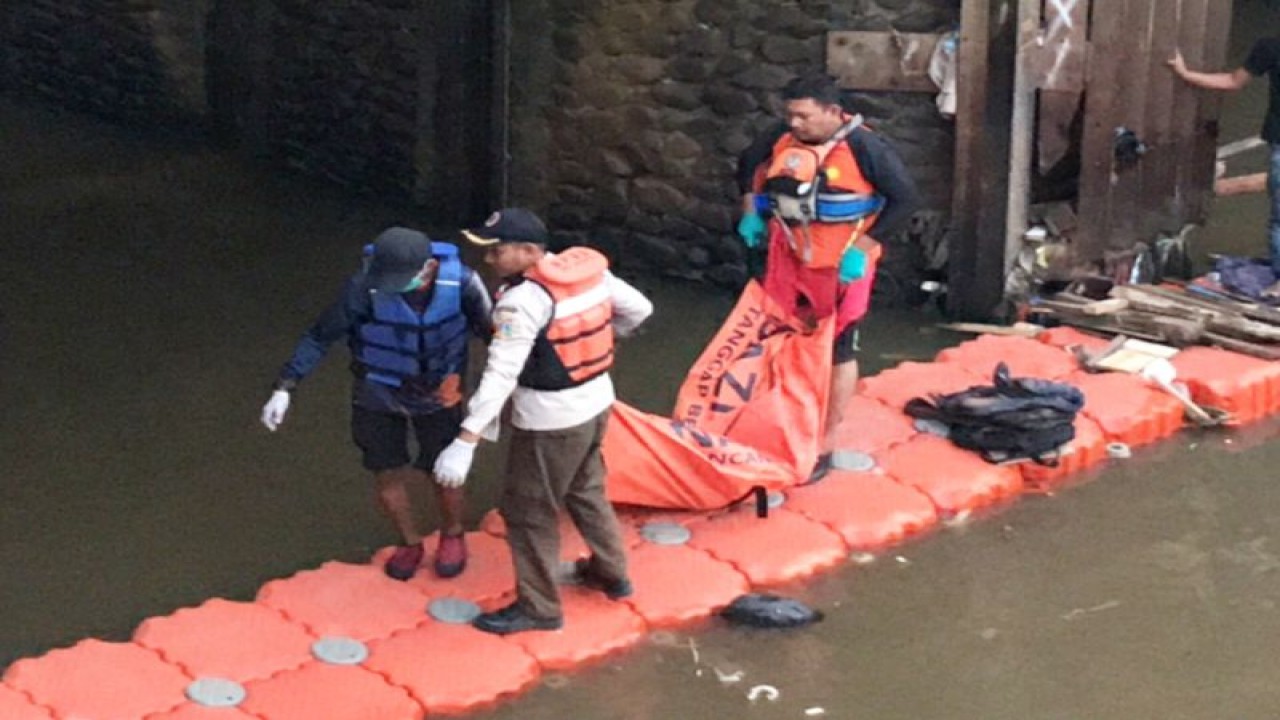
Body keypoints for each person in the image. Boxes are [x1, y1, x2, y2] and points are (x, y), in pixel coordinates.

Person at [432, 208, 653, 635]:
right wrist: (598, 343)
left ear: (529, 251)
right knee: (586, 489)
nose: (489, 259)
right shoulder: (588, 276)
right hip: (596, 403)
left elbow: (500, 375)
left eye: (497, 250)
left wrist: (466, 439)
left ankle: (540, 608)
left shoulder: (522, 302)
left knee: (528, 509)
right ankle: (612, 573)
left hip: (550, 422)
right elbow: (640, 310)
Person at [259, 227, 493, 581]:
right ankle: (410, 541)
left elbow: (496, 336)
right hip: (378, 391)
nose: (392, 285)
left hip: (439, 392)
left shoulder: (462, 284)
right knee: (385, 468)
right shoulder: (364, 287)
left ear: (429, 268)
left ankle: (453, 532)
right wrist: (286, 386)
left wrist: (499, 394)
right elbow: (320, 336)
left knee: (445, 471)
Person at [736, 73, 920, 482]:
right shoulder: (783, 134)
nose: (795, 124)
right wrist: (750, 210)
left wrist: (863, 248)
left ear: (833, 112)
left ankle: (826, 440)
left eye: (803, 116)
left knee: (838, 349)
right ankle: (777, 418)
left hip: (840, 265)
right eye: (790, 116)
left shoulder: (865, 147)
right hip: (788, 256)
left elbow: (905, 199)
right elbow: (748, 162)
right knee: (778, 335)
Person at [1169, 37, 1280, 280]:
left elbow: (1232, 81)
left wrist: (1186, 74)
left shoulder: (1271, 46)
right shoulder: (1270, 47)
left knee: (1278, 220)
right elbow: (1233, 81)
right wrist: (1186, 74)